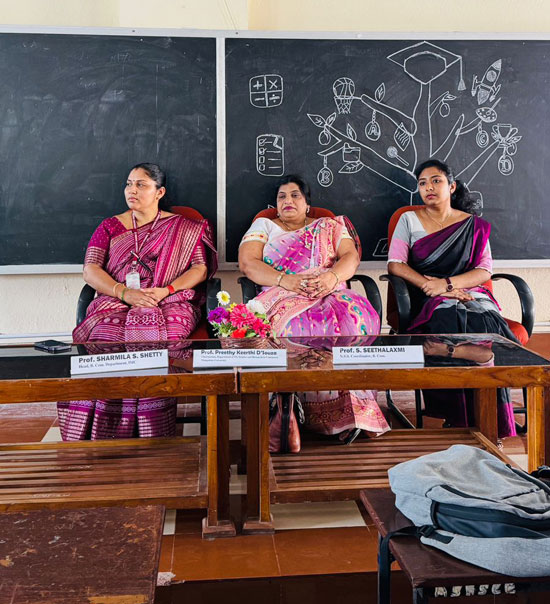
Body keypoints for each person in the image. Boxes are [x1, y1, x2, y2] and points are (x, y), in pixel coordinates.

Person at [58, 163, 217, 440]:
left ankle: (151, 426)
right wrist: (124, 293)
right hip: (117, 299)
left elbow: (200, 269)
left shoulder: (184, 227)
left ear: (159, 192)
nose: (132, 190)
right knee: (106, 335)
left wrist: (165, 290)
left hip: (170, 299)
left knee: (167, 334)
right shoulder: (110, 226)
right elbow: (90, 270)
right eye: (129, 184)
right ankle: (111, 427)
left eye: (141, 184)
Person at [238, 174, 389, 442]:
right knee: (295, 328)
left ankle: (351, 413)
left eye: (295, 195)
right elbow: (248, 264)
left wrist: (331, 277)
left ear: (307, 204)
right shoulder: (264, 225)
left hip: (329, 290)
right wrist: (286, 281)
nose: (287, 200)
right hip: (282, 293)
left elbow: (350, 256)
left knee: (353, 323)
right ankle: (289, 409)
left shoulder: (329, 225)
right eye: (282, 196)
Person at [387, 158, 517, 437]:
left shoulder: (473, 225)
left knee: (486, 320)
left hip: (467, 291)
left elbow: (484, 270)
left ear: (452, 186)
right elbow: (396, 265)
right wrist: (431, 285)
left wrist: (448, 284)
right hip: (427, 293)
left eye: (436, 181)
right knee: (446, 318)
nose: (428, 187)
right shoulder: (408, 220)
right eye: (422, 183)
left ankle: (492, 420)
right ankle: (456, 417)